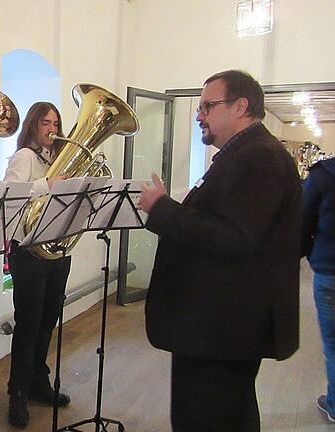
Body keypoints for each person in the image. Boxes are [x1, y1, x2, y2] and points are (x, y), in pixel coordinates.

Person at [138, 69, 301, 431]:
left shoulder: (259, 157)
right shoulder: (244, 155)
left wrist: (163, 208)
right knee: (225, 413)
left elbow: (234, 237)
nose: (199, 115)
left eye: (208, 106)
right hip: (218, 324)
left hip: (221, 326)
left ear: (241, 106)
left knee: (208, 417)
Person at [2, 102, 71, 428]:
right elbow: (11, 196)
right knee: (28, 323)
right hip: (28, 252)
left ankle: (37, 383)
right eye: (45, 122)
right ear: (33, 125)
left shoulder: (56, 159)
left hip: (56, 251)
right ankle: (16, 391)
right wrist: (48, 184)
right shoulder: (24, 158)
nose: (52, 128)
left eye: (56, 122)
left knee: (47, 321)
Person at [301, 155, 335, 423]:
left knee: (334, 344)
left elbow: (303, 223)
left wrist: (302, 253)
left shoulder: (323, 174)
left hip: (330, 271)